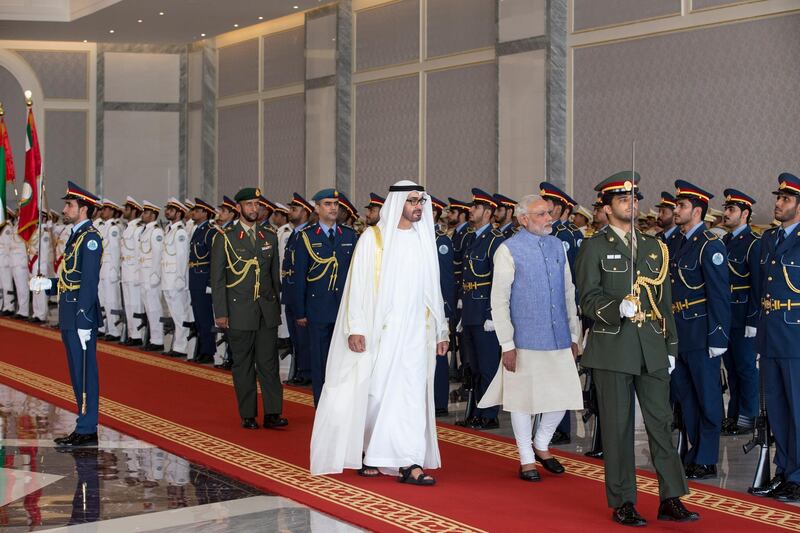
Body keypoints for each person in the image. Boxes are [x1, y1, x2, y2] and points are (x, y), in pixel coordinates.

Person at [575, 172, 698, 526]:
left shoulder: (654, 246)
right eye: (623, 199)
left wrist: (670, 344)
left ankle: (671, 496)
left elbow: (665, 300)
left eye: (635, 198)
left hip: (651, 347)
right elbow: (588, 298)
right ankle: (623, 500)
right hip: (613, 347)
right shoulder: (593, 247)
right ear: (607, 207)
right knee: (618, 427)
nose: (632, 203)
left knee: (661, 423)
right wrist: (617, 309)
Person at [310, 180, 448, 485]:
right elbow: (357, 288)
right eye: (412, 201)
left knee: (410, 395)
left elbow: (433, 289)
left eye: (421, 202)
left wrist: (442, 329)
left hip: (416, 333)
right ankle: (370, 450)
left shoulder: (424, 239)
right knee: (376, 394)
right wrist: (355, 328)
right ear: (398, 203)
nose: (418, 207)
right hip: (380, 332)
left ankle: (409, 461)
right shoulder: (373, 239)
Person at [480, 194, 583, 482]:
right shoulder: (508, 250)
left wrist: (574, 334)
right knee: (522, 401)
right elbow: (499, 300)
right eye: (541, 214)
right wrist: (507, 344)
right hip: (524, 339)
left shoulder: (557, 246)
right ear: (524, 219)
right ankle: (526, 457)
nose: (549, 218)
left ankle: (542, 444)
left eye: (549, 213)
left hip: (560, 336)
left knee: (562, 395)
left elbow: (568, 292)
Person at [29, 181, 104, 447]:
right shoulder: (76, 235)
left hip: (80, 314)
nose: (65, 208)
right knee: (76, 372)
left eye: (69, 205)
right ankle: (82, 424)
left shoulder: (91, 239)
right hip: (68, 310)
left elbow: (89, 282)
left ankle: (87, 427)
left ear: (83, 208)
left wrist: (84, 318)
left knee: (85, 373)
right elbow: (69, 277)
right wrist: (47, 284)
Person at [210, 187, 287, 429]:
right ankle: (248, 414)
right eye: (250, 204)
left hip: (266, 311)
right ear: (239, 207)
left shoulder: (269, 236)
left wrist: (276, 308)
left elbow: (274, 278)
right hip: (238, 310)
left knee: (269, 364)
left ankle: (273, 413)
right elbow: (218, 279)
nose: (255, 209)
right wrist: (221, 313)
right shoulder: (226, 237)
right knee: (243, 365)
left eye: (257, 204)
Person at [670, 180, 731, 480]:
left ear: (696, 211)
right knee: (686, 396)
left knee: (707, 398)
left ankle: (707, 458)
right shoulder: (679, 243)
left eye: (681, 206)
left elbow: (719, 294)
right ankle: (696, 450)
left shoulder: (710, 245)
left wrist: (718, 336)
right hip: (680, 333)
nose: (675, 209)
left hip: (702, 333)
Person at [753, 172, 800, 501]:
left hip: (796, 338)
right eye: (778, 198)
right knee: (779, 412)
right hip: (771, 336)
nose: (778, 203)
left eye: (785, 199)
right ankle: (784, 471)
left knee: (798, 411)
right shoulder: (770, 240)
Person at [293, 189, 359, 406]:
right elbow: (300, 275)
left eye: (335, 204)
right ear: (317, 208)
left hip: (343, 309)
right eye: (328, 204)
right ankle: (322, 404)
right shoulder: (307, 236)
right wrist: (300, 311)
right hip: (318, 308)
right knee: (320, 360)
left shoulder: (349, 235)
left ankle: (342, 404)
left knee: (343, 360)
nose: (333, 208)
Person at [461, 188, 506, 429]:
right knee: (475, 367)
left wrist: (492, 314)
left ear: (487, 212)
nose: (471, 210)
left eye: (476, 207)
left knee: (488, 367)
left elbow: (499, 280)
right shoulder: (472, 238)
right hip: (470, 311)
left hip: (484, 315)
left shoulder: (495, 240)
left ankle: (489, 415)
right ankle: (476, 412)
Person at [719, 189, 760, 436]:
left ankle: (748, 418)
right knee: (732, 369)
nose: (725, 213)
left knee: (746, 369)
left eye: (731, 209)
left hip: (744, 314)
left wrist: (753, 319)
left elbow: (758, 284)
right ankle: (733, 415)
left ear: (744, 214)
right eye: (726, 208)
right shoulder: (724, 242)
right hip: (727, 315)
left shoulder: (753, 243)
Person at [282, 193, 314, 386]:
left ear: (306, 212)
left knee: (304, 338)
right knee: (295, 337)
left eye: (294, 209)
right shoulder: (295, 234)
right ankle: (300, 371)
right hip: (290, 293)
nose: (290, 212)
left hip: (301, 295)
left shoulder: (307, 235)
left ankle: (307, 373)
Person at [430, 195, 456, 417]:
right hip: (421, 309)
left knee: (439, 357)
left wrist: (446, 311)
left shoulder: (441, 241)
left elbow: (446, 279)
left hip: (438, 309)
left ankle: (439, 402)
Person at [161, 198, 193, 358]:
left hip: (176, 279)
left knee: (181, 314)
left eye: (171, 209)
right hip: (168, 279)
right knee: (175, 314)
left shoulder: (180, 232)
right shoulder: (169, 229)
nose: (167, 212)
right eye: (167, 209)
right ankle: (178, 344)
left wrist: (181, 278)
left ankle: (181, 346)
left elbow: (181, 257)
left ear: (179, 213)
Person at [188, 198, 218, 363]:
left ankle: (208, 350)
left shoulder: (210, 231)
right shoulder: (197, 230)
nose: (194, 213)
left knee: (205, 316)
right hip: (195, 277)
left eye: (197, 210)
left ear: (205, 213)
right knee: (198, 316)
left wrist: (210, 282)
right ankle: (202, 348)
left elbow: (213, 258)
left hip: (203, 277)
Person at [138, 201, 165, 351]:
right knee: (149, 307)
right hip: (143, 274)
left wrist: (155, 274)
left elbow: (157, 254)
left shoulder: (156, 232)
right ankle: (152, 338)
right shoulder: (145, 230)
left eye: (146, 213)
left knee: (154, 307)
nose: (143, 215)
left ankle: (158, 339)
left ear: (153, 215)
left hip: (151, 275)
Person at [120, 197, 144, 346]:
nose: (124, 211)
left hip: (134, 272)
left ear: (134, 211)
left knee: (135, 304)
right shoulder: (128, 227)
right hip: (126, 272)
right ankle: (131, 333)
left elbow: (139, 253)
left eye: (127, 209)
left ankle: (138, 335)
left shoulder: (138, 229)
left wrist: (137, 273)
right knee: (128, 305)